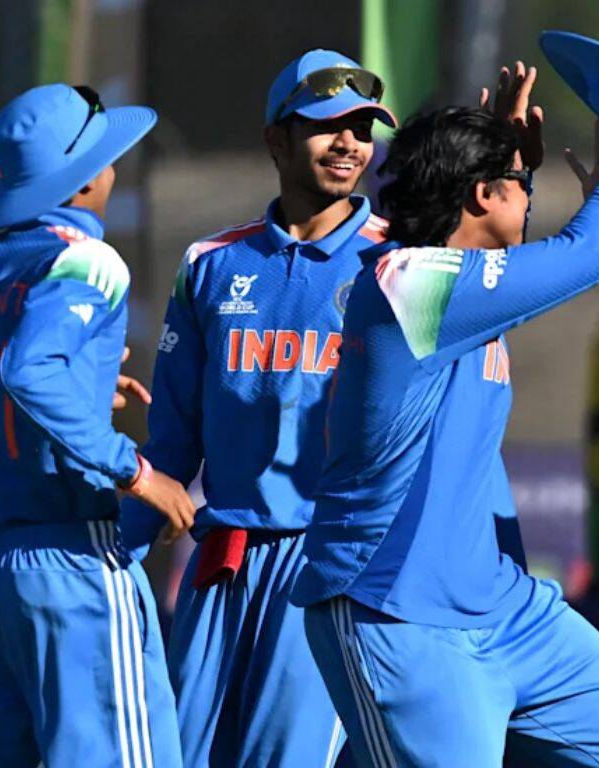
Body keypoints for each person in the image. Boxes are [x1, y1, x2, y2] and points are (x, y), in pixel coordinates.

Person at [290, 65, 599, 766]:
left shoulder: (459, 285)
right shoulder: (411, 287)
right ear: (482, 194)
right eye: (521, 183)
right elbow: (591, 251)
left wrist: (508, 158)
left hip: (506, 611)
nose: (531, 196)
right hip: (396, 614)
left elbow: (518, 249)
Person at [0, 83, 195, 767]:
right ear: (85, 181)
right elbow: (28, 373)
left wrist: (77, 395)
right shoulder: (88, 258)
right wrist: (136, 471)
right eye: (106, 157)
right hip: (71, 557)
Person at [117, 49, 399, 767]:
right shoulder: (211, 263)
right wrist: (112, 558)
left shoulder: (400, 262)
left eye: (364, 128)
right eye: (328, 126)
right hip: (222, 560)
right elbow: (172, 442)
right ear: (277, 138)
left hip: (330, 564)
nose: (350, 144)